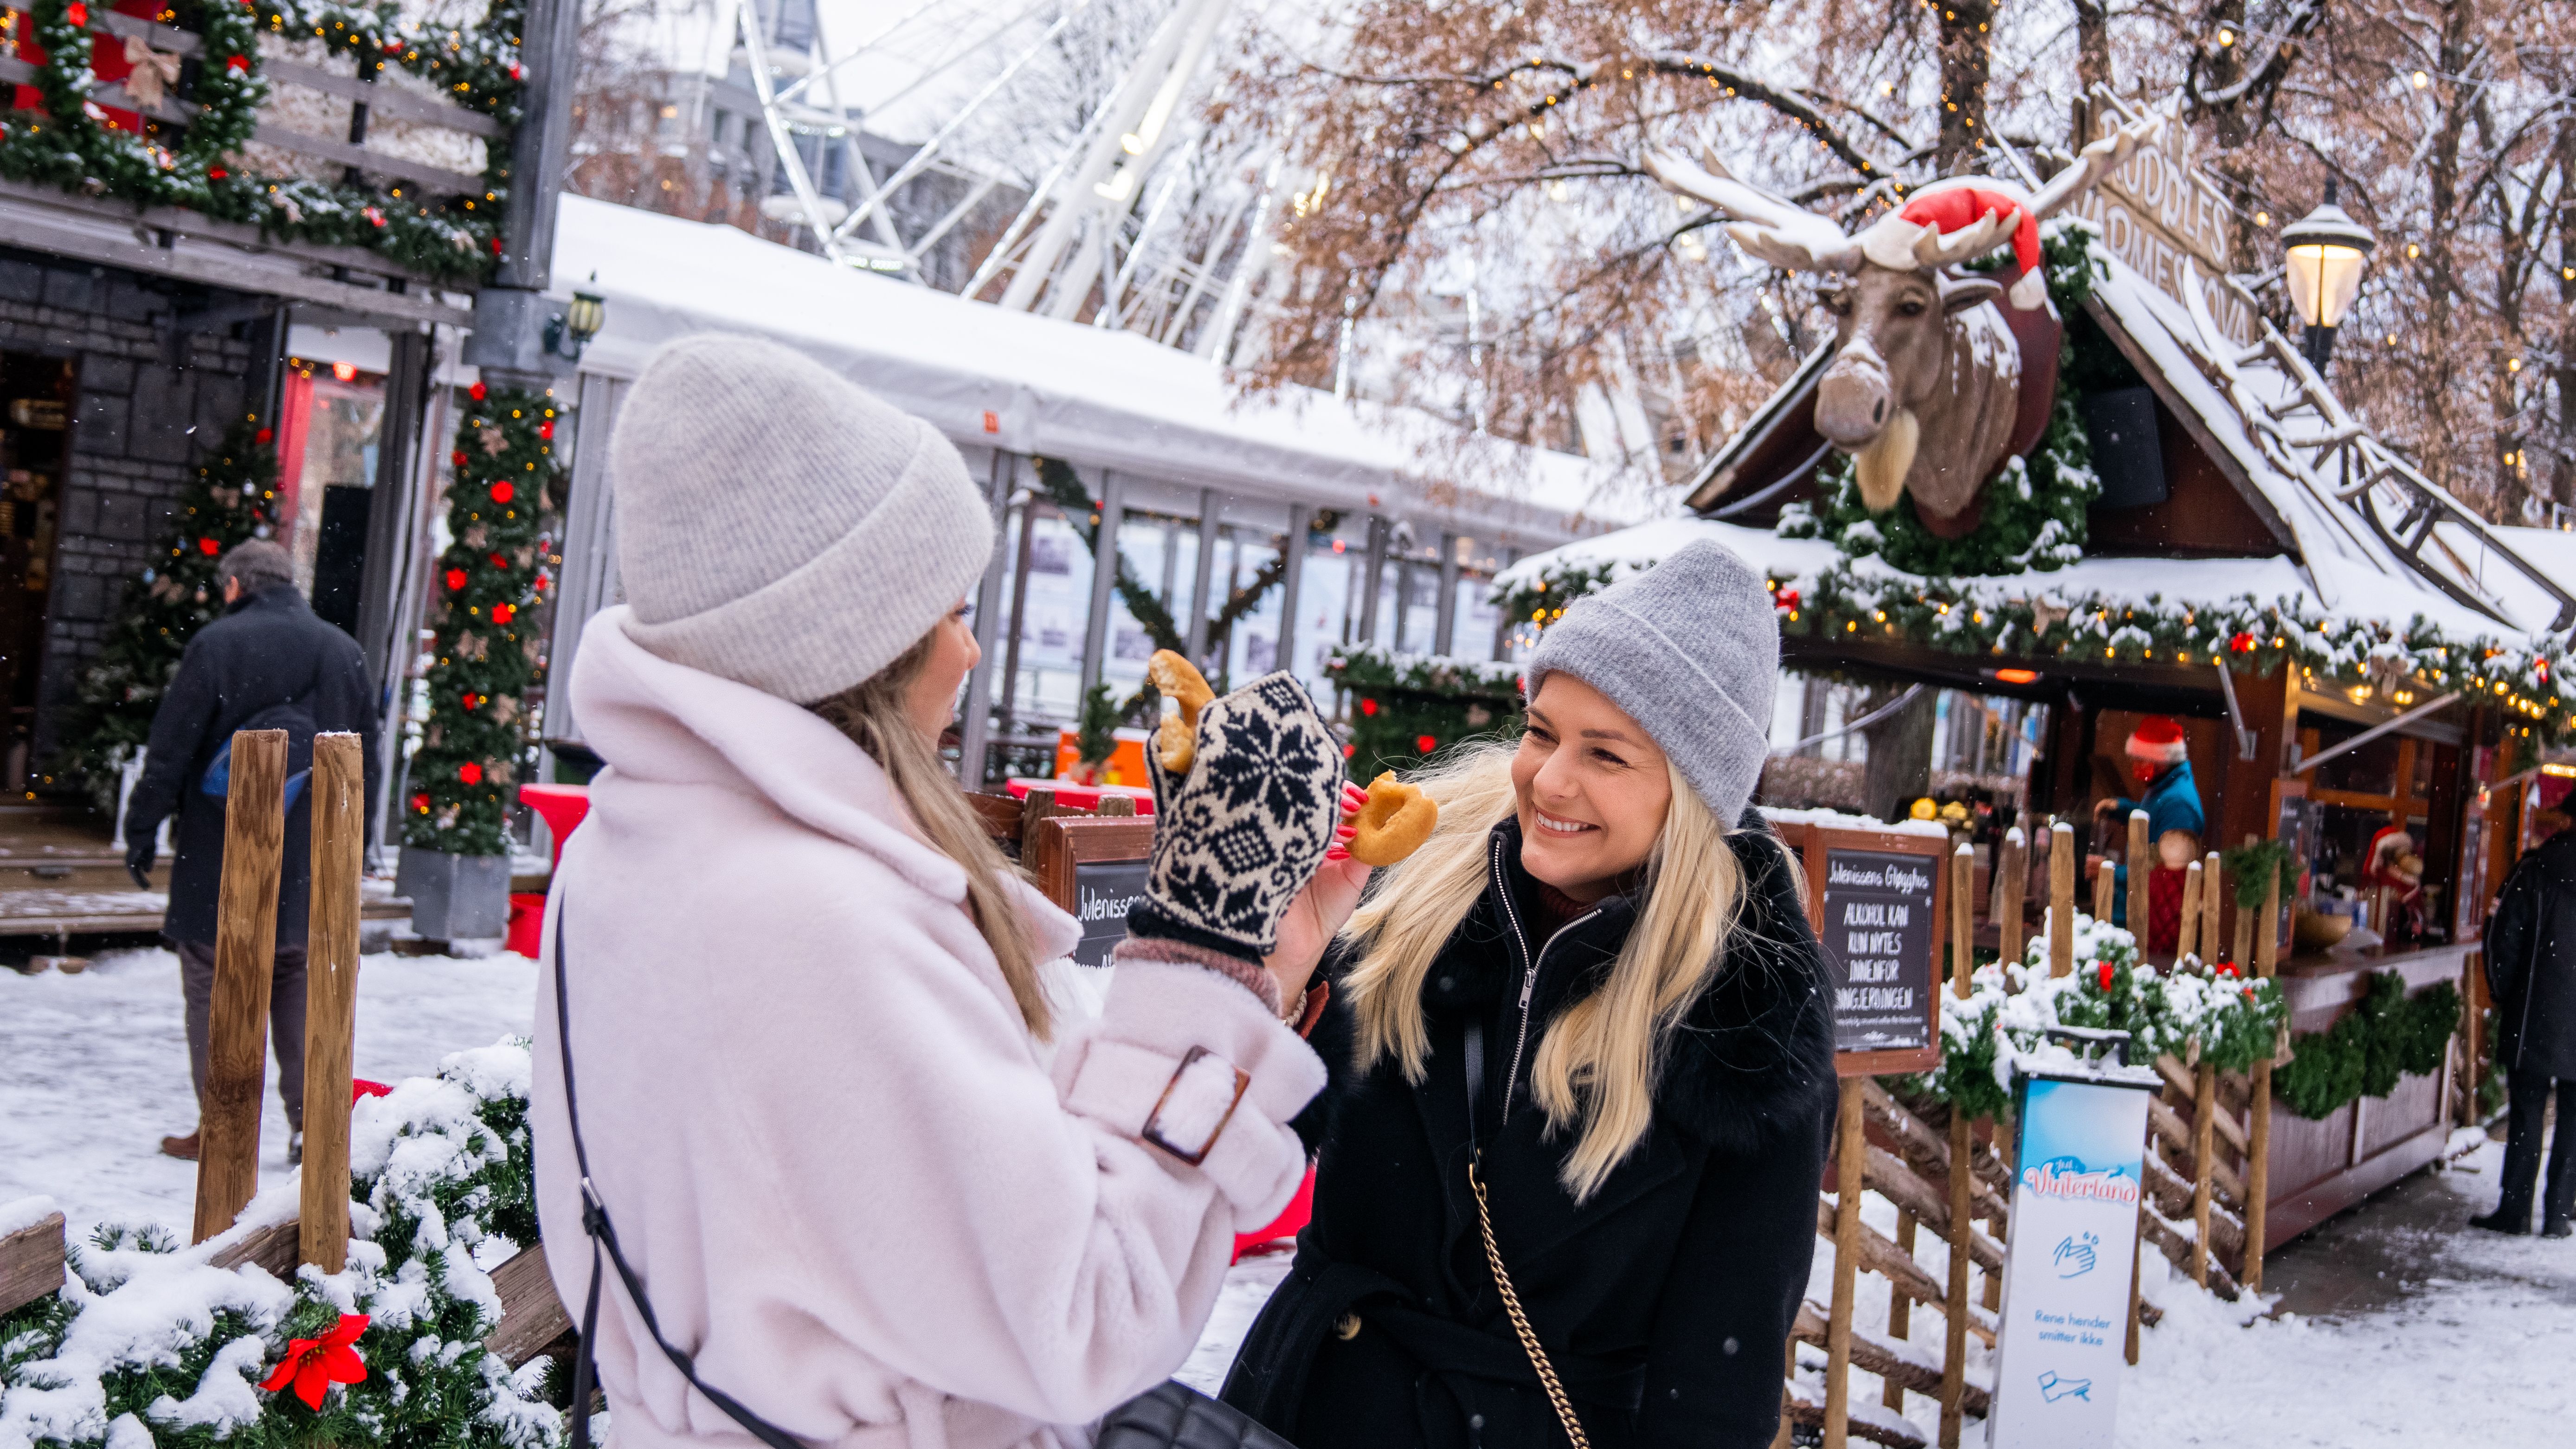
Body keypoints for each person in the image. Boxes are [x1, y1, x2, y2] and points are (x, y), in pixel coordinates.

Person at [531, 334, 1357, 1449]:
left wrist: (1262, 962)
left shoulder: (647, 848)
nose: (970, 652)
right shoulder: (822, 924)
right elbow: (1083, 1316)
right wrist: (1203, 947)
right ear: (861, 639)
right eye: (954, 612)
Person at [1223, 541, 1837, 1449]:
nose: (1549, 779)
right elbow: (1234, 1167)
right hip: (1310, 1404)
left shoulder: (1751, 1019)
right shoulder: (1412, 897)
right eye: (1542, 731)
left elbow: (1716, 1380)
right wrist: (1275, 982)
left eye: (1606, 754)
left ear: (1695, 792)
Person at [123, 538, 376, 1165]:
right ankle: (307, 1126)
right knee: (293, 972)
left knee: (211, 974)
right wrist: (357, 846)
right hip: (310, 851)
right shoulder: (341, 650)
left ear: (236, 586)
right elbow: (364, 755)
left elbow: (171, 747)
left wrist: (141, 826)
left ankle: (223, 1125)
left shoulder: (217, 645)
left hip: (219, 845)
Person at [2473, 805, 2576, 1238]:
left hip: (2534, 1015)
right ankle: (2559, 1213)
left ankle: (2515, 1210)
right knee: (2574, 1119)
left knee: (2527, 1112)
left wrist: (2504, 995)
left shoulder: (2534, 870)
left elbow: (2501, 938)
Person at [2093, 715, 2204, 953]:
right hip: (2137, 914)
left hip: (2149, 927)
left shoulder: (2178, 806)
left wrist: (2110, 872)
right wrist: (2123, 809)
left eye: (2140, 761)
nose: (2135, 769)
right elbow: (2152, 821)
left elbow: (2162, 874)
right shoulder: (2164, 789)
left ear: (2162, 760)